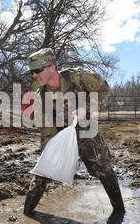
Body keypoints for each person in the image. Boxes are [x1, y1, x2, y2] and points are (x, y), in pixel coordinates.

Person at [23, 48, 125, 215]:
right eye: (31, 73)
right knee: (41, 175)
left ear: (51, 68)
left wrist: (85, 106)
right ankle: (26, 216)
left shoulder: (78, 76)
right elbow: (47, 131)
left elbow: (104, 88)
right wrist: (48, 157)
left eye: (36, 71)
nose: (34, 75)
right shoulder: (40, 97)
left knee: (104, 169)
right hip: (61, 134)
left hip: (86, 130)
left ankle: (120, 213)